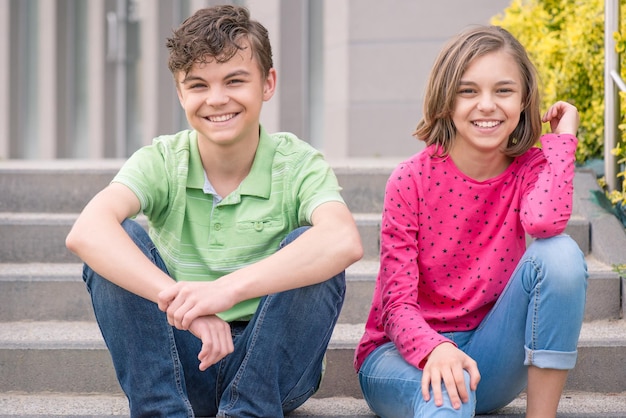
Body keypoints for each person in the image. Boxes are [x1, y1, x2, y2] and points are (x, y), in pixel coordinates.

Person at [66, 5, 363, 417]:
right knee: (119, 240)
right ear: (180, 92)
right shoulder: (164, 159)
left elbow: (343, 239)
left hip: (272, 370)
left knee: (312, 247)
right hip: (182, 363)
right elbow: (87, 232)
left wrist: (225, 290)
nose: (217, 99)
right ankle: (161, 411)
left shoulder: (297, 163)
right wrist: (190, 310)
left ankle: (250, 411)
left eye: (235, 80)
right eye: (199, 85)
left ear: (267, 83)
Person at [353, 25, 588, 418]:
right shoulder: (410, 180)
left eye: (503, 90)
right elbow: (395, 306)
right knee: (448, 394)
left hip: (488, 361)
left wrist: (563, 141)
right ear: (447, 99)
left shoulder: (528, 169)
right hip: (402, 359)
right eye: (468, 91)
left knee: (561, 255)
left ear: (524, 99)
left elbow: (545, 224)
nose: (487, 105)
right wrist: (435, 349)